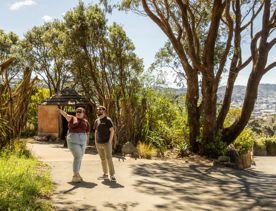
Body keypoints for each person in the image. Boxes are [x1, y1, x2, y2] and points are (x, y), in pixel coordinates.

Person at [58, 107, 90, 183]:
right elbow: (66, 115)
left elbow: (87, 132)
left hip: (83, 141)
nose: (78, 113)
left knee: (80, 157)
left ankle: (77, 174)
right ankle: (75, 175)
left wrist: (87, 140)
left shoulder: (85, 121)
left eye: (80, 111)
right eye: (77, 111)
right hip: (73, 141)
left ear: (83, 113)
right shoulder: (72, 118)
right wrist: (60, 111)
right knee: (78, 156)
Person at [94, 106, 116, 182]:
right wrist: (95, 141)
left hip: (106, 142)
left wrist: (110, 141)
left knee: (109, 158)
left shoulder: (108, 120)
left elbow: (112, 131)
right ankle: (105, 174)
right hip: (98, 143)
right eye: (97, 109)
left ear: (104, 111)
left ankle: (112, 175)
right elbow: (96, 131)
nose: (98, 110)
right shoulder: (97, 120)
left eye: (100, 109)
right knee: (102, 159)